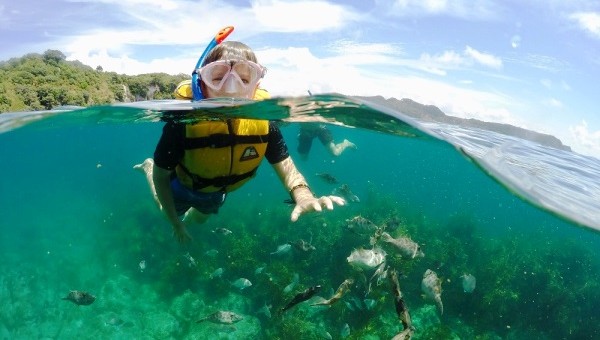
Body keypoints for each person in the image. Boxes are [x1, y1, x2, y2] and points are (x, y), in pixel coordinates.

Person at [134, 41, 346, 243]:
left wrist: (304, 196)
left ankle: (186, 222)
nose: (231, 90)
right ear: (201, 85)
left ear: (255, 87)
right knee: (166, 212)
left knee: (199, 218)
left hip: (216, 193)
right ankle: (147, 167)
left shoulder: (264, 124)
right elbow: (162, 177)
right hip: (182, 185)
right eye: (217, 78)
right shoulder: (181, 125)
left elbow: (287, 167)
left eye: (244, 80)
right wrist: (175, 224)